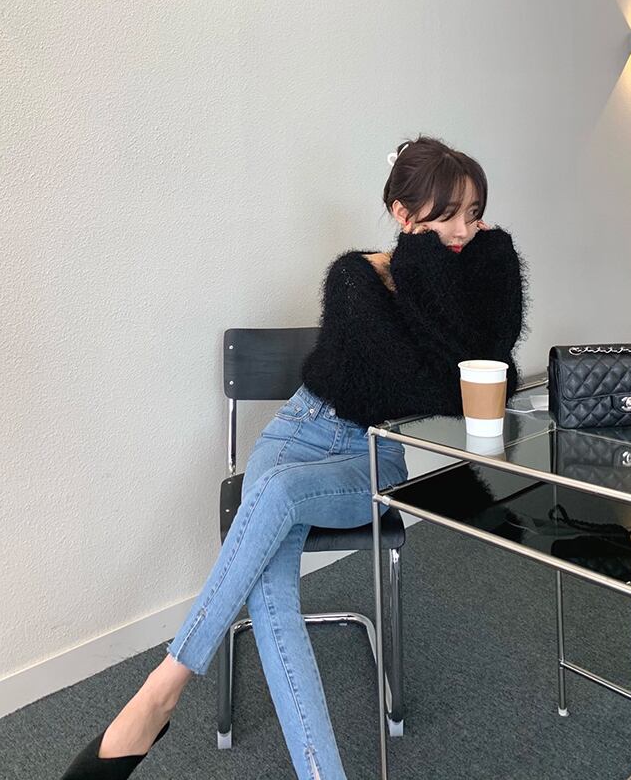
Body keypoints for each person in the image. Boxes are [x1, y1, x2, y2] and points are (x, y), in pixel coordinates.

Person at [60, 134, 526, 780]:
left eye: (475, 215)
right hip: (294, 432)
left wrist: (481, 260)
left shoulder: (460, 271)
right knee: (272, 587)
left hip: (371, 456)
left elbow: (482, 377)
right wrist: (430, 276)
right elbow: (406, 379)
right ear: (401, 212)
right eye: (447, 214)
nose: (465, 231)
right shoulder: (354, 278)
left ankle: (159, 692)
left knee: (274, 497)